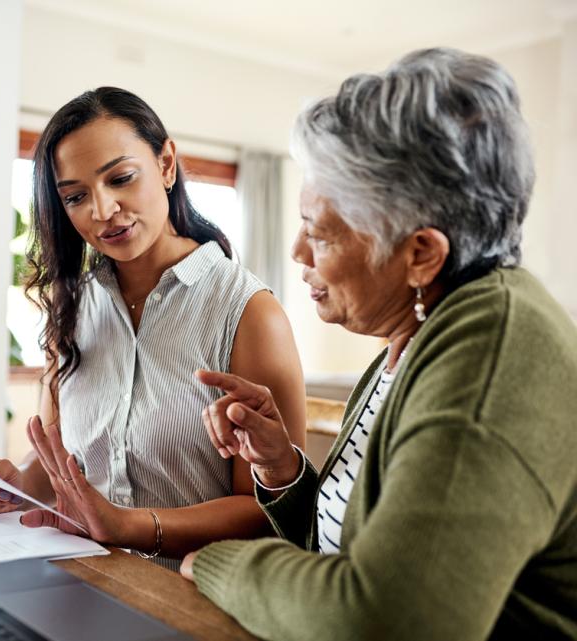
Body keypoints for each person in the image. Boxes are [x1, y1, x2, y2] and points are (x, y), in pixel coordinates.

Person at [180, 48, 577, 639]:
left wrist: (215, 560)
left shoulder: (491, 357)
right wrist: (282, 466)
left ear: (420, 254)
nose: (297, 253)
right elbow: (346, 552)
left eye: (318, 231)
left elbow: (383, 618)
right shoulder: (412, 340)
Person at [0, 87, 306, 570]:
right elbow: (61, 462)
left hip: (190, 596)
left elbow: (271, 511)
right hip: (79, 583)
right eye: (76, 197)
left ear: (166, 165)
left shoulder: (249, 313)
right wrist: (12, 486)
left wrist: (128, 525)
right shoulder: (72, 306)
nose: (102, 211)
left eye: (120, 178)